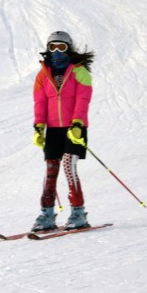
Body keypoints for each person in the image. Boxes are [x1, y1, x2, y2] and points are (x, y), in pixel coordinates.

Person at [31, 31, 95, 231]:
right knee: (51, 170)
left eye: (61, 47)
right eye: (53, 47)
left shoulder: (79, 71)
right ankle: (46, 215)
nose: (57, 52)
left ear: (69, 48)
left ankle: (78, 213)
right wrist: (39, 127)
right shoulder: (43, 74)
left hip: (74, 128)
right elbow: (39, 102)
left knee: (69, 166)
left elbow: (83, 100)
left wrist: (77, 124)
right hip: (53, 130)